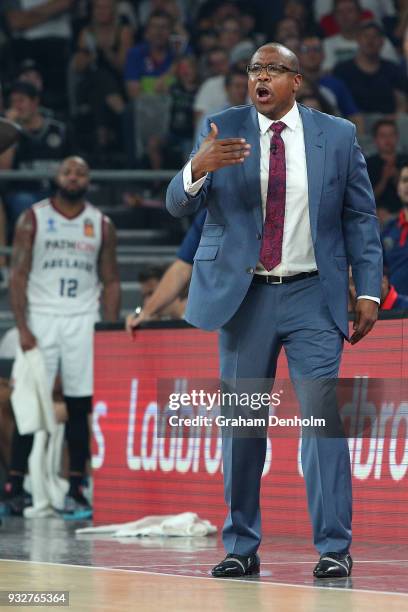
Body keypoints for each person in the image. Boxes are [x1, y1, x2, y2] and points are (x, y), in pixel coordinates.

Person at [166, 42, 382, 579]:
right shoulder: (222, 127)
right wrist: (197, 167)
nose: (260, 77)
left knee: (321, 422)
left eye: (273, 70)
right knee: (243, 424)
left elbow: (360, 216)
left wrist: (369, 291)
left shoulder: (337, 135)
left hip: (314, 294)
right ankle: (240, 544)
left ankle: (334, 546)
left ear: (296, 81)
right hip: (246, 297)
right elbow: (178, 203)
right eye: (254, 69)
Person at [1, 156, 120, 519]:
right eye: (68, 171)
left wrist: (108, 329)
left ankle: (76, 489)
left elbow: (111, 279)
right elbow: (17, 274)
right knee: (27, 402)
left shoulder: (101, 223)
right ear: (57, 177)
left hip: (82, 318)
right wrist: (22, 326)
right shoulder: (33, 218)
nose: (74, 177)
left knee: (80, 405)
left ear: (88, 180)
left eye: (81, 172)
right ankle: (15, 488)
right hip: (42, 317)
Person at [0, 81, 71, 230]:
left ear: (35, 102)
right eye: (12, 102)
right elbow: (4, 169)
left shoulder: (58, 130)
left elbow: (73, 162)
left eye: (21, 101)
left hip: (56, 191)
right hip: (23, 192)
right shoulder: (8, 134)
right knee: (24, 202)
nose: (16, 106)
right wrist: (10, 130)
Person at [126, 210, 205, 331]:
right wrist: (142, 314)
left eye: (152, 293)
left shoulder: (202, 319)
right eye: (145, 296)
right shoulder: (206, 216)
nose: (149, 301)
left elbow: (182, 269)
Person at [333, 23, 407, 116]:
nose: (370, 41)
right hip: (353, 121)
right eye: (366, 36)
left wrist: (392, 121)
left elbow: (402, 103)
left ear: (382, 42)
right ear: (358, 40)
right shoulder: (342, 70)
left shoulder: (393, 70)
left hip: (388, 122)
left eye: (375, 37)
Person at [322, 0, 399, 71]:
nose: (344, 16)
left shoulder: (380, 41)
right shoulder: (326, 44)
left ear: (360, 13)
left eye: (350, 11)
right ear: (334, 16)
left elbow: (393, 71)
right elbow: (327, 74)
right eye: (339, 12)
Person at [367, 120, 406, 223]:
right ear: (375, 140)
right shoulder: (367, 164)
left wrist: (396, 177)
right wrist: (384, 179)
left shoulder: (405, 160)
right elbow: (365, 199)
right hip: (378, 215)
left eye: (391, 135)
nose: (388, 139)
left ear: (397, 137)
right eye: (383, 136)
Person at [382, 162, 408, 294]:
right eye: (404, 180)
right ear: (398, 188)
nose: (407, 185)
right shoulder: (388, 229)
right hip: (395, 311)